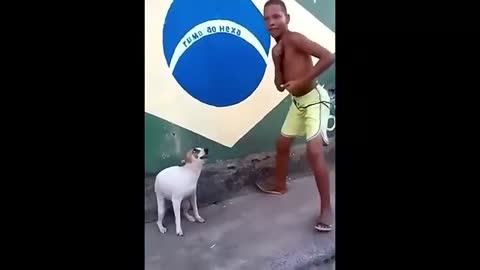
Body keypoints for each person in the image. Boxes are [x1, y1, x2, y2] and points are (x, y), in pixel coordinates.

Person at [256, 0, 335, 232]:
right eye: (267, 19)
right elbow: (280, 86)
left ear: (287, 19)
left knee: (314, 151)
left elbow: (328, 56)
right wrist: (277, 60)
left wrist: (302, 80)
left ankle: (327, 209)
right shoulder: (276, 49)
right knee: (282, 143)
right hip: (298, 103)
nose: (271, 22)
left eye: (276, 17)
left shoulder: (295, 38)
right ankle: (279, 185)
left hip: (315, 99)